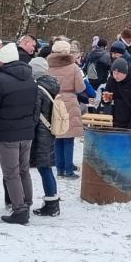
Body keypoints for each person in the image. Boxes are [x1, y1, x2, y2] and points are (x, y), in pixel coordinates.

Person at [0, 42, 37, 224]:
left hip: (6, 132)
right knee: (24, 170)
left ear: (1, 61)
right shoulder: (30, 78)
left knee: (11, 172)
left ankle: (19, 209)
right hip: (27, 131)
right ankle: (26, 203)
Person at [104, 56, 131, 186]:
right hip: (118, 119)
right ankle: (118, 173)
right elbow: (107, 98)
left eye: (118, 73)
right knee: (117, 150)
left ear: (126, 72)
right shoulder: (112, 80)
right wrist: (105, 100)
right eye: (114, 72)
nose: (115, 76)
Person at [47, 40, 87, 178]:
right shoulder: (73, 67)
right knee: (68, 138)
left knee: (58, 136)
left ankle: (59, 168)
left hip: (54, 101)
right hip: (69, 101)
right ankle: (69, 169)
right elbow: (81, 88)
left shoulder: (48, 66)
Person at [30, 57, 63, 216]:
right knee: (46, 166)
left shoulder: (38, 88)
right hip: (49, 130)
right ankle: (52, 201)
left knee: (44, 167)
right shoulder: (52, 84)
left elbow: (35, 114)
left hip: (41, 133)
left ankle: (52, 204)